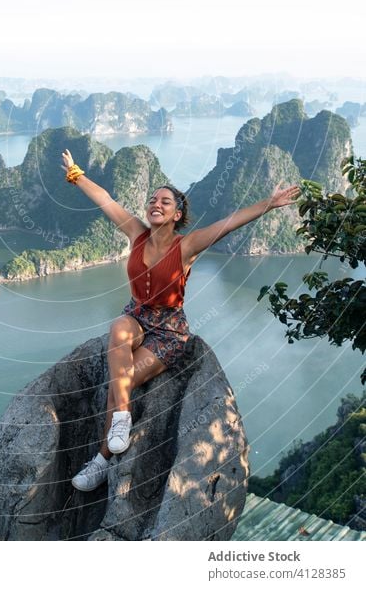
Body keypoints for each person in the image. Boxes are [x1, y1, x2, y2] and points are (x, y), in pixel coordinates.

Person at [62, 148, 300, 492]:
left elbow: (228, 223)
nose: (155, 204)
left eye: (165, 202)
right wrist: (75, 173)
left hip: (169, 331)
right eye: (152, 200)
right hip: (137, 315)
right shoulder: (136, 232)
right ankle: (122, 423)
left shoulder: (186, 246)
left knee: (121, 381)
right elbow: (104, 199)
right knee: (118, 329)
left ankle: (101, 460)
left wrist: (270, 203)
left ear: (177, 213)